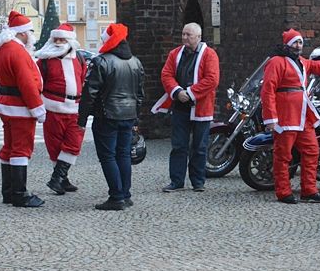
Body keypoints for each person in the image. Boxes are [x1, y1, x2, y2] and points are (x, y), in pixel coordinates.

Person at [261, 28, 320, 203]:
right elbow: (267, 90)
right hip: (285, 115)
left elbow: (315, 65)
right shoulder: (276, 62)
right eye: (295, 42)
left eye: (300, 43)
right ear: (287, 45)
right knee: (283, 155)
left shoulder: (302, 62)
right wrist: (271, 118)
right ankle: (283, 192)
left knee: (312, 150)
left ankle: (309, 189)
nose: (298, 46)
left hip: (303, 115)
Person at [78, 23, 145, 210]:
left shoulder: (101, 62)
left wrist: (81, 120)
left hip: (107, 115)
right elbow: (140, 94)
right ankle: (125, 194)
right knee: (123, 154)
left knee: (108, 156)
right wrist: (136, 118)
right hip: (128, 115)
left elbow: (89, 93)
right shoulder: (136, 62)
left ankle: (116, 197)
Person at [0, 11, 46, 208]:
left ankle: (8, 192)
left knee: (9, 147)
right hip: (21, 106)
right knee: (21, 149)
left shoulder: (1, 49)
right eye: (30, 31)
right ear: (22, 33)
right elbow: (27, 83)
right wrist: (38, 108)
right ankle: (20, 194)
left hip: (7, 105)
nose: (32, 35)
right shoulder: (18, 51)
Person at [154, 23, 220, 193]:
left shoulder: (209, 55)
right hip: (180, 107)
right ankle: (176, 181)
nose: (184, 38)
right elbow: (166, 74)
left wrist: (190, 93)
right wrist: (177, 92)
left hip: (201, 108)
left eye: (188, 35)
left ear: (198, 37)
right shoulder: (175, 54)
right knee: (178, 145)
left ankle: (198, 181)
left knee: (199, 146)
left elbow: (212, 79)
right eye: (183, 34)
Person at [35, 23, 87, 195]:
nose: (58, 41)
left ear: (70, 40)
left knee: (73, 143)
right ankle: (62, 179)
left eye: (62, 38)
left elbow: (84, 80)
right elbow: (37, 83)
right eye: (55, 38)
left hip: (75, 108)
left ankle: (57, 178)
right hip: (52, 107)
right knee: (55, 145)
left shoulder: (79, 59)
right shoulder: (44, 60)